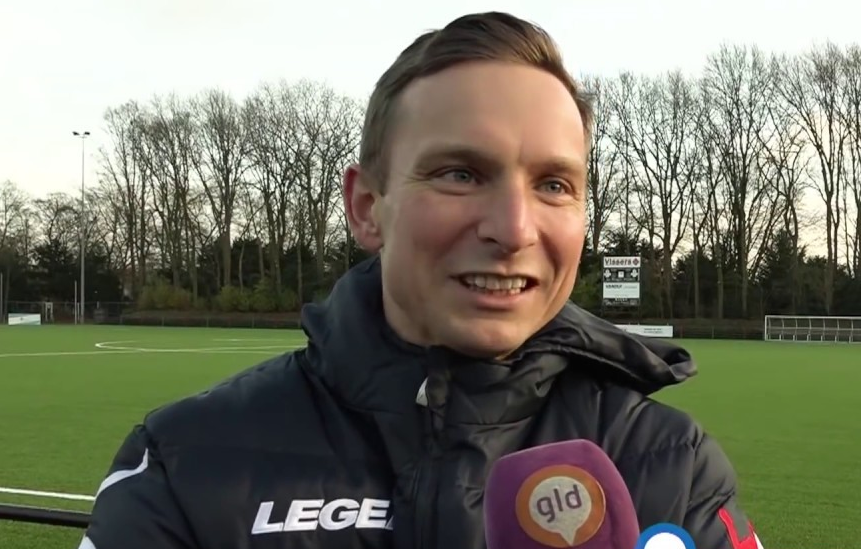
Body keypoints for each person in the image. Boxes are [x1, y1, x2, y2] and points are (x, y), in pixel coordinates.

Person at [77, 11, 763, 549]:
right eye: (460, 173)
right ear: (365, 207)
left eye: (554, 184)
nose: (514, 229)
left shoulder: (669, 468)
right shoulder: (187, 463)